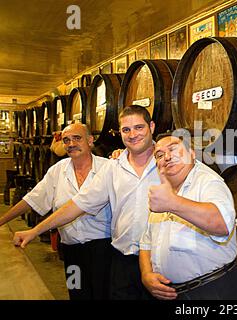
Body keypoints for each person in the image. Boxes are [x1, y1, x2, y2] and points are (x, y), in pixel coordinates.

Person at [13, 105, 160, 300]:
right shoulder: (110, 168)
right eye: (126, 129)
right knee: (77, 292)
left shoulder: (169, 161)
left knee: (100, 293)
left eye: (139, 127)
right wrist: (34, 231)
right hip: (80, 253)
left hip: (127, 254)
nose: (132, 134)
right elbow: (76, 205)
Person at [1, 123, 112, 300]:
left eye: (77, 138)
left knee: (103, 295)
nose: (71, 144)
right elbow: (32, 199)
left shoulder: (109, 168)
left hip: (103, 250)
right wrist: (2, 220)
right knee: (76, 293)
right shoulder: (58, 170)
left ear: (90, 140)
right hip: (70, 251)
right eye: (66, 140)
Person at [139, 133, 237, 300]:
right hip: (172, 293)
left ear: (192, 153)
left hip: (210, 290)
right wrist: (146, 274)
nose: (167, 157)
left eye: (173, 149)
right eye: (159, 155)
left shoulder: (208, 182)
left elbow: (223, 225)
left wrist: (173, 203)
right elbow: (146, 242)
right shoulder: (164, 190)